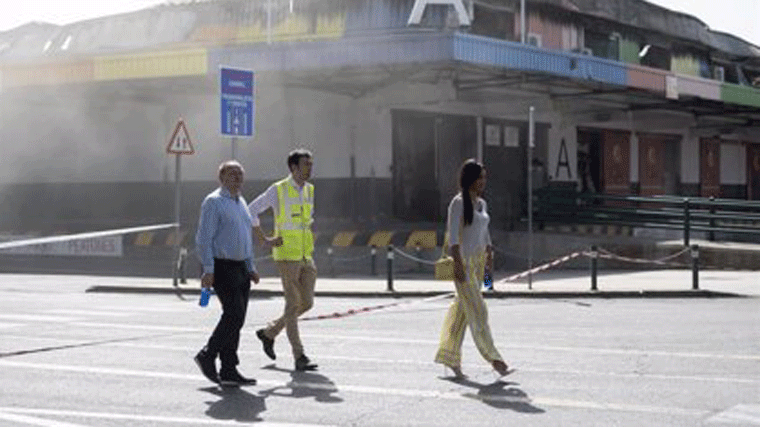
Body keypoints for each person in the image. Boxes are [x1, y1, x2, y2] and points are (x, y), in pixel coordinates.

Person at [434, 159, 510, 379]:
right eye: (479, 177)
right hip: (463, 263)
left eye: (485, 177)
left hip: (479, 262)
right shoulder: (457, 203)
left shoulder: (482, 204)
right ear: (469, 179)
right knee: (479, 309)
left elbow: (485, 234)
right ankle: (495, 359)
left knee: (461, 314)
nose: (483, 182)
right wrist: (458, 266)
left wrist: (489, 257)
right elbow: (453, 241)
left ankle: (449, 358)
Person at [248, 148, 318, 372]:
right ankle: (300, 356)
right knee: (292, 304)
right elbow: (251, 210)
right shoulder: (278, 190)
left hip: (306, 254)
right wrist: (264, 239)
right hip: (287, 255)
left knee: (307, 303)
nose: (310, 168)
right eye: (306, 164)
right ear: (293, 167)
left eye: (311, 164)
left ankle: (269, 333)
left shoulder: (309, 190)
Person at [194, 160, 260, 386]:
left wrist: (251, 267)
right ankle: (207, 354)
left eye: (241, 174)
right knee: (233, 314)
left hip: (241, 267)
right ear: (221, 177)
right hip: (222, 266)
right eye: (233, 174)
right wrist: (208, 269)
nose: (238, 178)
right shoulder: (213, 202)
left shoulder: (241, 202)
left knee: (238, 319)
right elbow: (204, 238)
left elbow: (245, 237)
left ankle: (229, 368)